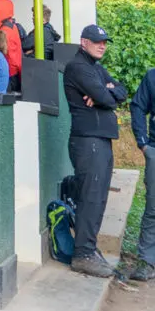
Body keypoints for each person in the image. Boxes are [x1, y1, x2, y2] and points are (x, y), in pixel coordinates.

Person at [61, 25, 128, 278]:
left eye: (104, 42)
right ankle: (83, 255)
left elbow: (119, 92)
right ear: (83, 42)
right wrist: (104, 93)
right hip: (88, 141)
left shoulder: (95, 68)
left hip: (99, 139)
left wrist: (105, 91)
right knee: (90, 197)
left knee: (98, 197)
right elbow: (109, 99)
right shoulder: (78, 67)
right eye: (97, 42)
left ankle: (88, 248)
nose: (102, 45)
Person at [129, 67, 155, 281]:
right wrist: (143, 142)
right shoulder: (152, 76)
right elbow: (137, 106)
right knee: (153, 208)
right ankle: (147, 262)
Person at [0, 0, 23, 91]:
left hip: (9, 74)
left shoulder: (5, 31)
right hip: (12, 73)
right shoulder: (11, 26)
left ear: (1, 12)